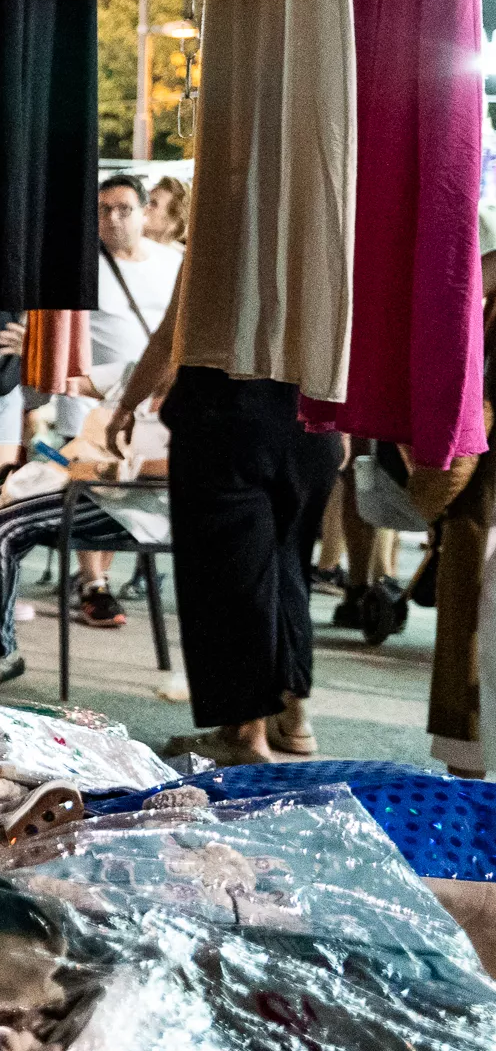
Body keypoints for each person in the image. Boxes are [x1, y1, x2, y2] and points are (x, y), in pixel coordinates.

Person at [113, 258, 343, 765]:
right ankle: (293, 713)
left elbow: (173, 331)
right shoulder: (323, 228)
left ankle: (243, 733)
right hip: (311, 423)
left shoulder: (224, 233)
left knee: (230, 577)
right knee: (288, 566)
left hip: (226, 422)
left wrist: (127, 403)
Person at [66, 174, 184, 629]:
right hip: (94, 395)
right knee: (90, 481)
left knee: (121, 488)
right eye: (103, 210)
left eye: (123, 209)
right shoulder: (82, 265)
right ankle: (94, 583)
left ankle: (102, 577)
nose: (112, 219)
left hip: (150, 398)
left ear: (143, 213)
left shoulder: (173, 262)